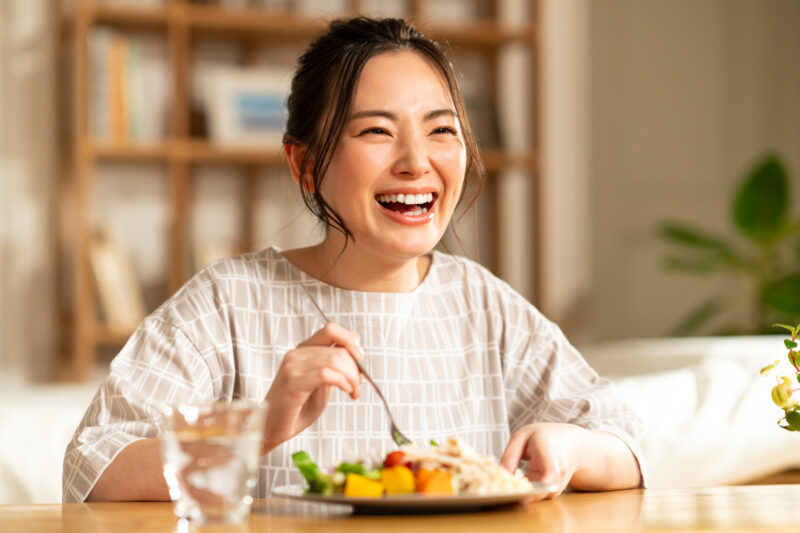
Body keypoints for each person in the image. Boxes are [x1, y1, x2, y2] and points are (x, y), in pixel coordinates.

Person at [63, 16, 644, 503]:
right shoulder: (227, 302)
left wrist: (567, 448)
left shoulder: (484, 305)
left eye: (441, 130)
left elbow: (627, 441)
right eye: (376, 131)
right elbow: (94, 467)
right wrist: (256, 431)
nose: (417, 162)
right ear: (305, 165)